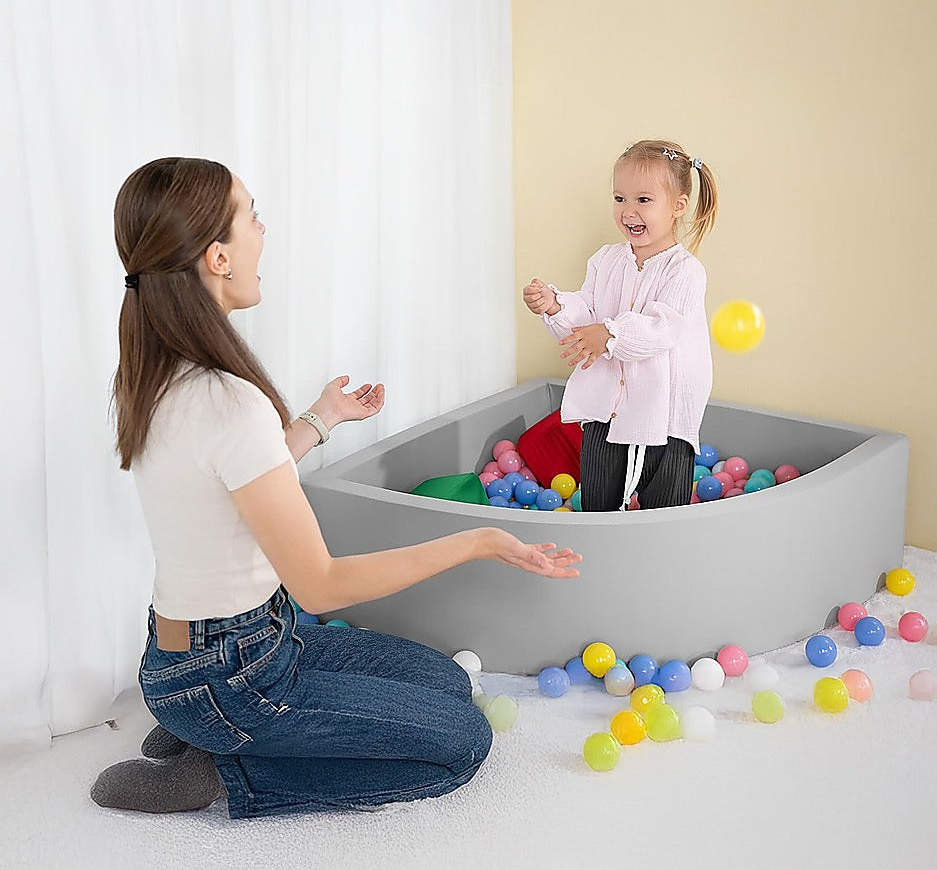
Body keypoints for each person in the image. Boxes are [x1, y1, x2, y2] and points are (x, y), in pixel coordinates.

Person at [91, 157, 582, 818]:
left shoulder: (156, 373)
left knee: (445, 683)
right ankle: (224, 768)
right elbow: (320, 584)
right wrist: (477, 541)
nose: (263, 233)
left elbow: (233, 478)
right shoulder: (227, 400)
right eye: (251, 218)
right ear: (217, 257)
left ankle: (200, 726)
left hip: (203, 650)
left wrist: (321, 419)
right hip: (235, 674)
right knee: (463, 743)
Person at [522, 140, 718, 512]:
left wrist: (611, 334)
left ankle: (656, 566)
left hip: (662, 416)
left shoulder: (685, 271)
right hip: (604, 409)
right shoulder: (605, 260)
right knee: (598, 503)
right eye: (619, 199)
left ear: (678, 206)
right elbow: (588, 311)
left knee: (663, 513)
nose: (629, 212)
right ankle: (599, 559)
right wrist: (556, 304)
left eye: (643, 200)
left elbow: (664, 328)